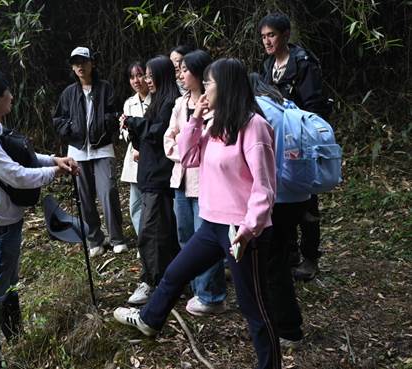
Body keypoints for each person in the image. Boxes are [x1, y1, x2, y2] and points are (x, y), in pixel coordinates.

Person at [114, 58, 281, 369]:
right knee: (175, 273)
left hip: (242, 232)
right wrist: (197, 117)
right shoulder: (214, 124)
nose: (204, 89)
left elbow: (265, 188)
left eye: (210, 84)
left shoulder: (253, 126)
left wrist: (248, 229)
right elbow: (188, 156)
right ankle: (149, 320)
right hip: (212, 224)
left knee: (253, 306)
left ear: (227, 87)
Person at [0, 70, 78, 369]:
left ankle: (14, 334)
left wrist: (52, 160)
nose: (12, 96)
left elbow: (20, 157)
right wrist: (55, 172)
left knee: (8, 280)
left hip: (7, 218)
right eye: (7, 92)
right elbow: (16, 175)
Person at [259, 12, 327, 280]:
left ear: (286, 34)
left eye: (271, 35)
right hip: (276, 139)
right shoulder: (267, 65)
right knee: (280, 195)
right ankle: (288, 254)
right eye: (264, 37)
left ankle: (310, 257)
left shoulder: (303, 63)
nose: (267, 41)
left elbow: (314, 106)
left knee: (307, 200)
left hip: (300, 137)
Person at [163, 49, 227, 316]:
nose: (181, 74)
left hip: (205, 184)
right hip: (180, 180)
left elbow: (212, 147)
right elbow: (170, 139)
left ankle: (211, 295)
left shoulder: (216, 105)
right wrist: (187, 153)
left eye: (186, 70)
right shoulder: (180, 104)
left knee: (205, 240)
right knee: (186, 237)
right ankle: (196, 288)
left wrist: (192, 151)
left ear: (200, 74)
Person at [249, 72, 308, 347]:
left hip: (277, 197)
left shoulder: (258, 112)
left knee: (273, 265)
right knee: (282, 256)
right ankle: (286, 323)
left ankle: (287, 328)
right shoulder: (287, 104)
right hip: (299, 192)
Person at [53, 46, 127, 257]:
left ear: (92, 63)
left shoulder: (105, 88)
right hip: (77, 150)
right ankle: (95, 238)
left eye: (83, 61)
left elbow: (115, 114)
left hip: (102, 147)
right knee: (84, 197)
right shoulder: (68, 93)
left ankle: (117, 237)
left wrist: (105, 124)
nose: (80, 66)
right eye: (75, 63)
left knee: (108, 192)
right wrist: (71, 130)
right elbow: (58, 119)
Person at [120, 55, 180, 305]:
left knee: (152, 232)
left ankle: (153, 282)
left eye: (149, 75)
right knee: (156, 230)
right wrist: (132, 127)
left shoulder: (170, 103)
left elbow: (157, 133)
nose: (146, 80)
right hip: (149, 175)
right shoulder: (159, 101)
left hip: (159, 176)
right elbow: (145, 136)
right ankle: (163, 278)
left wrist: (134, 122)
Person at [120, 61, 151, 237]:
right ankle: (143, 239)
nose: (136, 80)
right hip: (134, 157)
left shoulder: (156, 100)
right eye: (132, 77)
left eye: (140, 75)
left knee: (152, 203)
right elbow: (124, 130)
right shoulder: (129, 103)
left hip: (152, 158)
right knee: (135, 204)